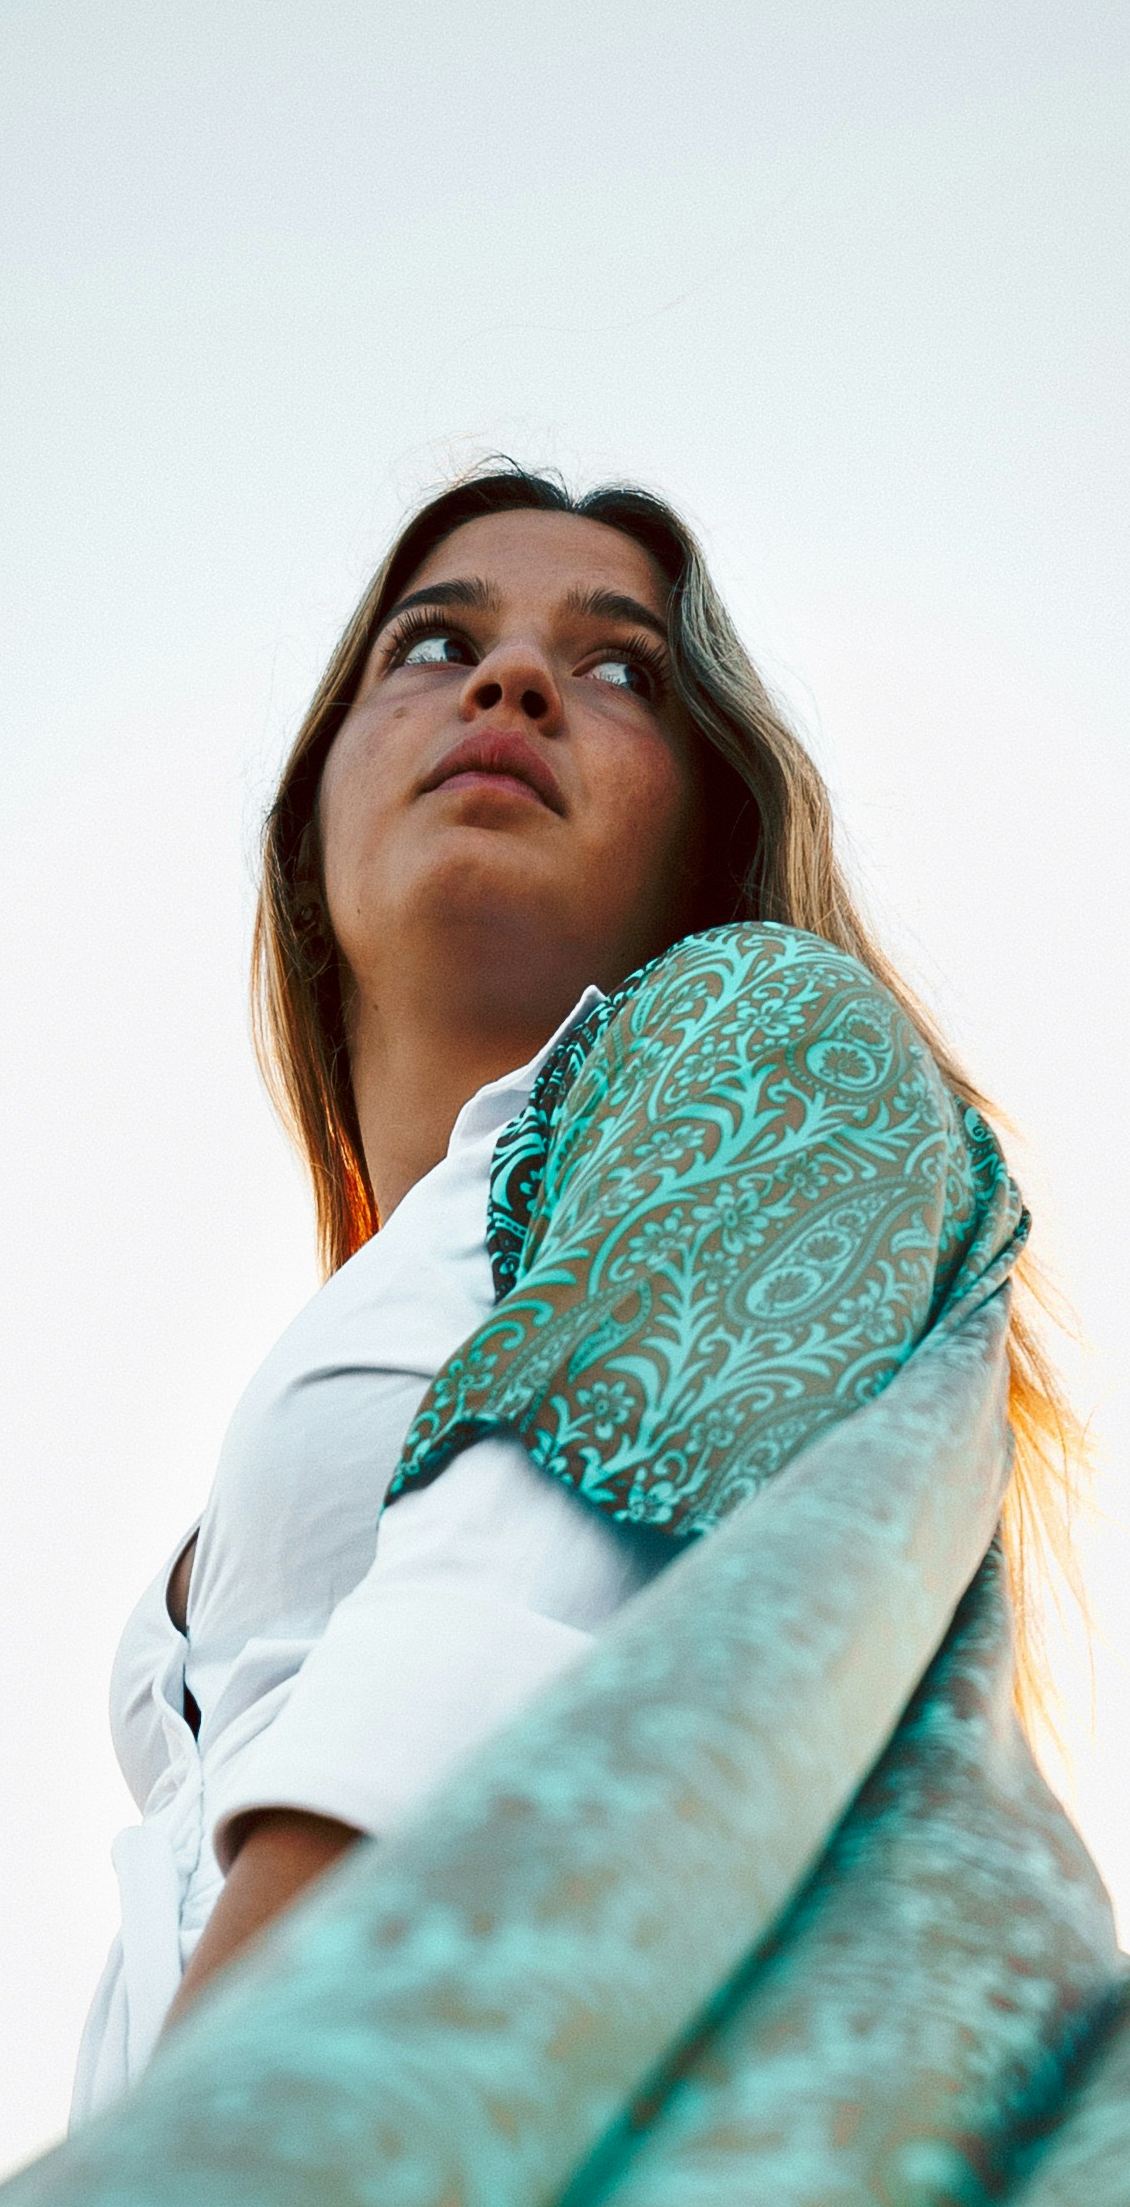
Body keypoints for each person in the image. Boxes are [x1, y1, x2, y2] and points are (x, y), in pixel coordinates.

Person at [71, 466, 1078, 2121]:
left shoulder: (760, 1043)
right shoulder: (407, 1285)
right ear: (310, 806)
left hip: (356, 2173)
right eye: (428, 642)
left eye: (620, 671)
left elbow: (492, 1676)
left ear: (709, 821)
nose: (511, 680)